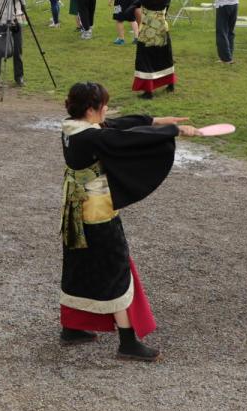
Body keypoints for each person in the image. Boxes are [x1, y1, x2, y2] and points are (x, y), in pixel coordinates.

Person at [57, 81, 196, 361]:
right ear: (90, 109)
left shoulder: (70, 128)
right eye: (102, 105)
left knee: (79, 265)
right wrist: (174, 131)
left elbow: (116, 125)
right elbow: (126, 139)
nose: (106, 109)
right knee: (116, 270)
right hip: (96, 212)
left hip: (75, 208)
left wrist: (155, 120)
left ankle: (72, 327)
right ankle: (128, 342)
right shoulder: (92, 137)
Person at [132, 0, 176, 99]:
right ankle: (170, 84)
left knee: (145, 59)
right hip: (162, 30)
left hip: (147, 31)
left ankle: (148, 91)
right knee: (165, 56)